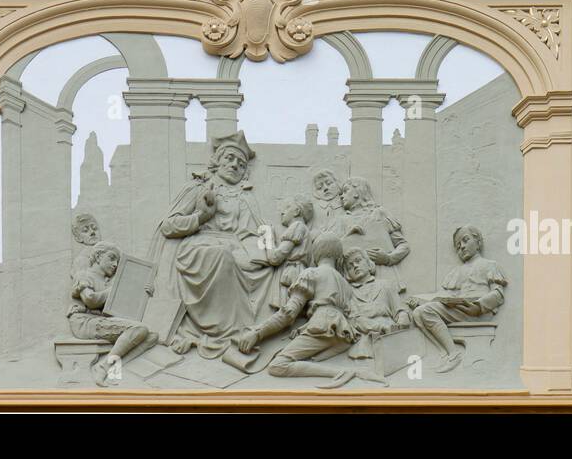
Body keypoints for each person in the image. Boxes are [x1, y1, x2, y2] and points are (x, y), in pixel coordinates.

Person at [148, 131, 274, 357]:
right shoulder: (198, 188)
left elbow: (253, 232)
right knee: (223, 256)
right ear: (217, 161)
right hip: (198, 246)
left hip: (235, 248)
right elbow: (169, 226)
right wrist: (200, 217)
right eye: (230, 158)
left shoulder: (246, 198)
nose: (235, 165)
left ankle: (249, 331)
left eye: (241, 164)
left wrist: (271, 249)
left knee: (269, 268)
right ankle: (226, 333)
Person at [233, 235, 383, 388]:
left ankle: (343, 372)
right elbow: (340, 312)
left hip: (323, 328)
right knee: (305, 359)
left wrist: (258, 333)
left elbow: (288, 313)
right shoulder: (345, 283)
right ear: (338, 257)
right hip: (343, 335)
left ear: (315, 254)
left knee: (278, 365)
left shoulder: (311, 273)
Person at [408, 225, 507, 373]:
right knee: (418, 312)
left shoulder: (489, 265)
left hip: (477, 310)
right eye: (458, 245)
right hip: (459, 309)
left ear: (478, 242)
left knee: (425, 311)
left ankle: (453, 355)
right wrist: (422, 301)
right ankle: (449, 354)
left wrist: (479, 306)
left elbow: (498, 294)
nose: (462, 247)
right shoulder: (457, 271)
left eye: (466, 240)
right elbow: (443, 296)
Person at [68, 242, 156, 386]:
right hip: (85, 322)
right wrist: (113, 291)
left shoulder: (108, 282)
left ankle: (109, 366)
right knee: (139, 329)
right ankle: (103, 367)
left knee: (152, 337)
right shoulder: (83, 275)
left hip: (101, 321)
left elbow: (122, 310)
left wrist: (144, 294)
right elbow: (91, 300)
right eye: (111, 258)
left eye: (117, 261)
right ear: (98, 256)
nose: (115, 264)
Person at [337, 176, 410, 291]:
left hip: (384, 274)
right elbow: (333, 253)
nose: (341, 196)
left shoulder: (379, 214)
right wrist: (348, 235)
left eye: (346, 191)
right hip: (354, 281)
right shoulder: (342, 221)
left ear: (357, 192)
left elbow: (403, 245)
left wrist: (388, 258)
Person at [343, 246, 409, 363]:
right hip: (366, 341)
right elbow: (354, 319)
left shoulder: (386, 285)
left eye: (358, 261)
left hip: (392, 335)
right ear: (347, 274)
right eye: (350, 266)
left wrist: (403, 319)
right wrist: (380, 327)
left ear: (369, 264)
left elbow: (400, 310)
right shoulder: (349, 293)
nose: (355, 266)